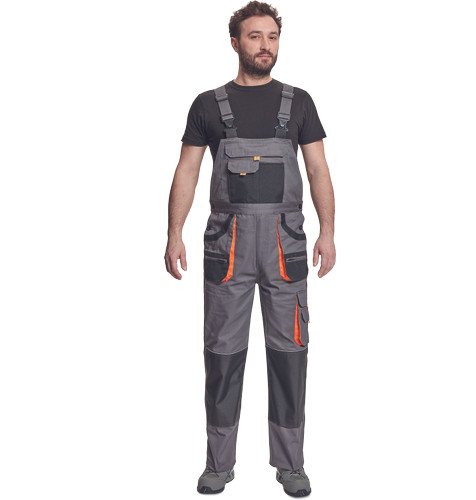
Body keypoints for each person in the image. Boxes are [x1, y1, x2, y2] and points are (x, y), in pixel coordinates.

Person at [164, 1, 336, 496]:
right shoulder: (207, 104)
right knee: (222, 354)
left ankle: (290, 464)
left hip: (286, 245)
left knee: (290, 354)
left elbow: (319, 170)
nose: (266, 46)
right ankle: (218, 463)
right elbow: (187, 171)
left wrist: (328, 231)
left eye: (272, 37)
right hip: (228, 245)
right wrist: (174, 233)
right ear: (235, 43)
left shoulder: (299, 103)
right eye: (255, 36)